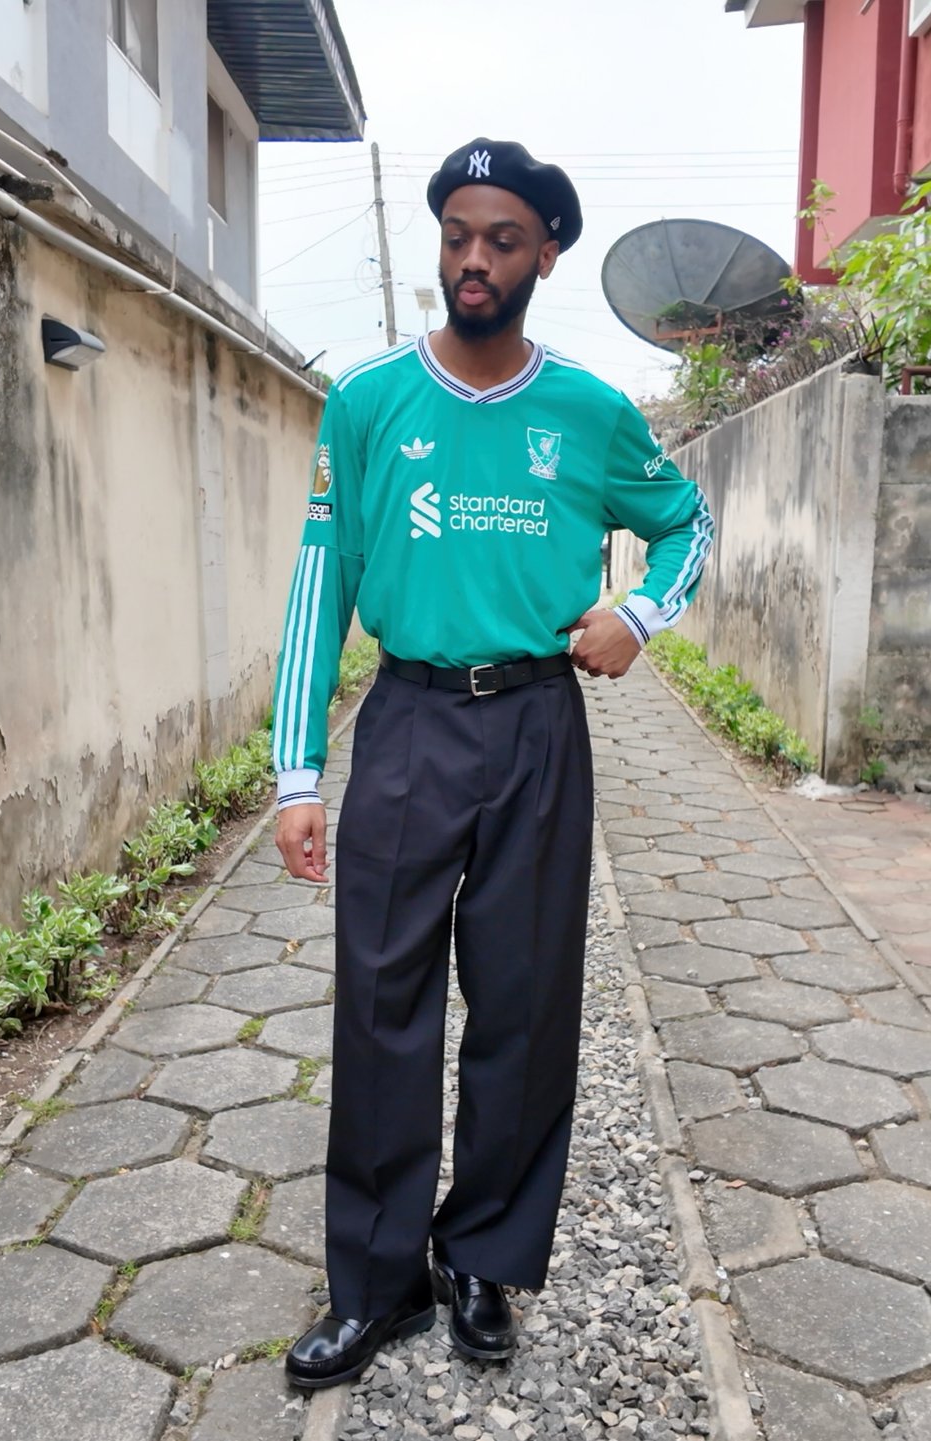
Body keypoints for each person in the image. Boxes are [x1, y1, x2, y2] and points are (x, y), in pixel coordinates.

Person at [273, 138, 714, 1389]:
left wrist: (639, 615)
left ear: (546, 253)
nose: (474, 258)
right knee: (382, 1005)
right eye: (458, 234)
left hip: (534, 728)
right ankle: (375, 1284)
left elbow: (687, 519)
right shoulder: (366, 404)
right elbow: (323, 581)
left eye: (503, 239)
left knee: (522, 1009)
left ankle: (481, 1260)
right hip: (408, 723)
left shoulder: (587, 410)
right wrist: (297, 773)